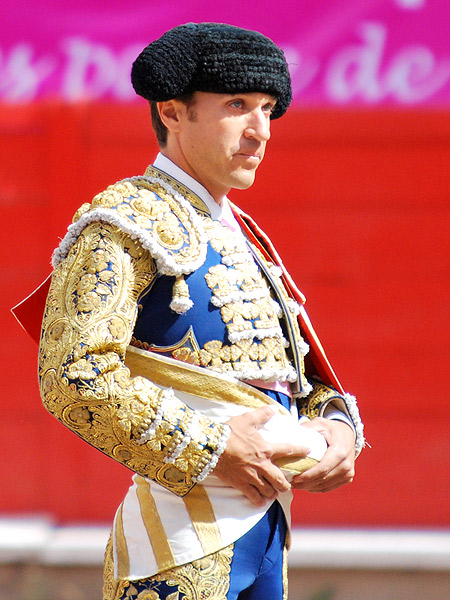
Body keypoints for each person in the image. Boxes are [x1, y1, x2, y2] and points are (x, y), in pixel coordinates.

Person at [37, 23, 364, 600]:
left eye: (267, 109)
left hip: (269, 528)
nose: (261, 130)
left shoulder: (245, 235)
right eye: (237, 105)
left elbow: (287, 376)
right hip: (175, 536)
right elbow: (74, 374)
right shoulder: (122, 222)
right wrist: (212, 448)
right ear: (172, 112)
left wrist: (337, 427)